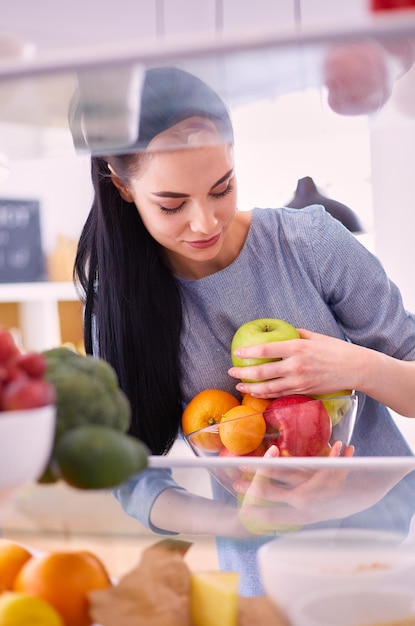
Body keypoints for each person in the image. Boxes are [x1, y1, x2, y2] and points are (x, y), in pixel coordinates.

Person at [73, 66, 415, 596]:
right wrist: (243, 521)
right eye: (171, 205)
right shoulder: (119, 310)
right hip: (265, 573)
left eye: (221, 188)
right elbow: (133, 475)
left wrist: (355, 366)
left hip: (392, 542)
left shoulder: (310, 243)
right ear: (122, 186)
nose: (206, 222)